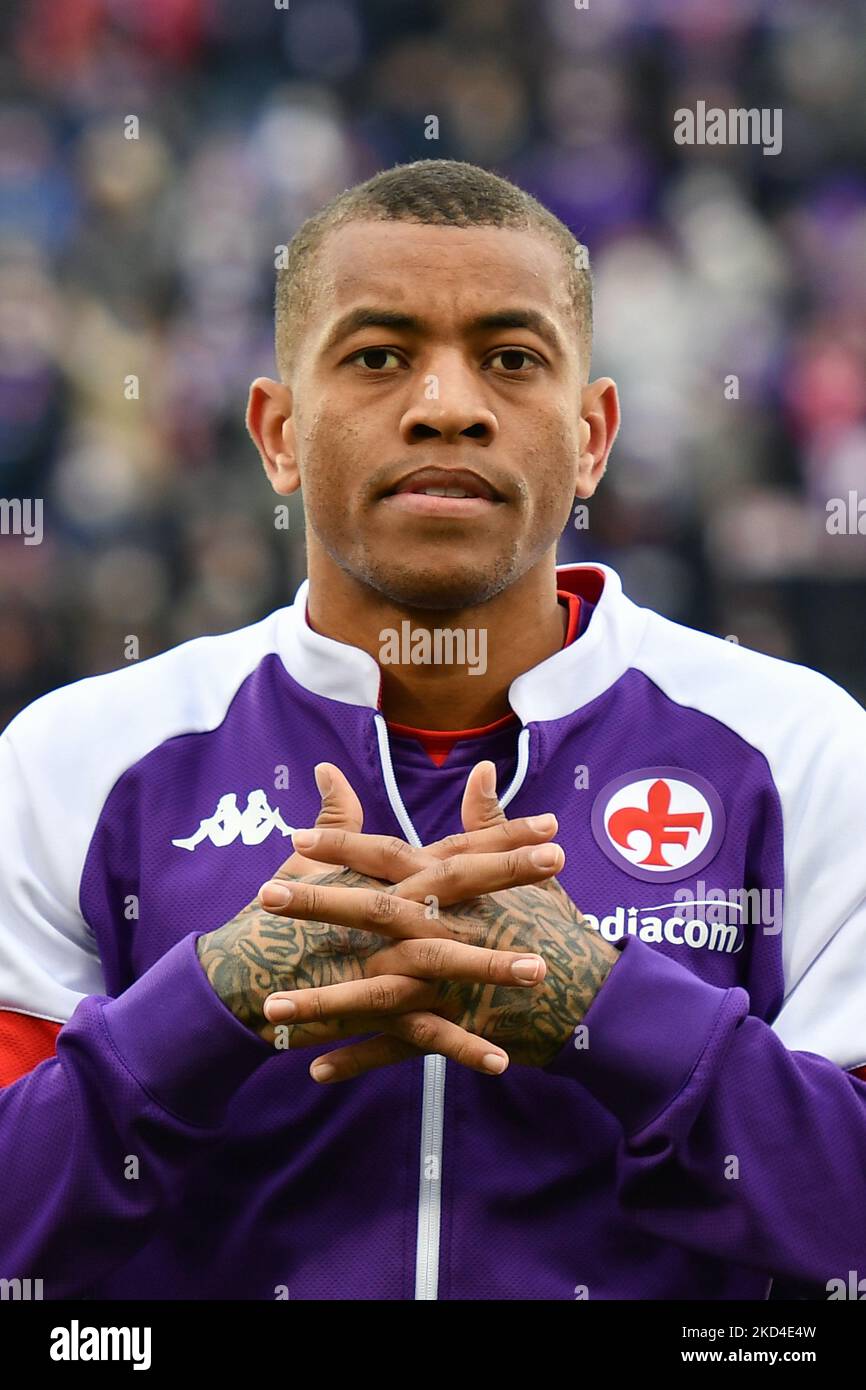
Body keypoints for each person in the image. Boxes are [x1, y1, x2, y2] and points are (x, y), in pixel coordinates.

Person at [1, 159, 865, 1302]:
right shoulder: (74, 757)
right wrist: (203, 1006)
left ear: (591, 434)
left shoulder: (799, 748)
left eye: (510, 359)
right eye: (377, 356)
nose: (446, 404)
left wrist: (608, 1009)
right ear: (278, 434)